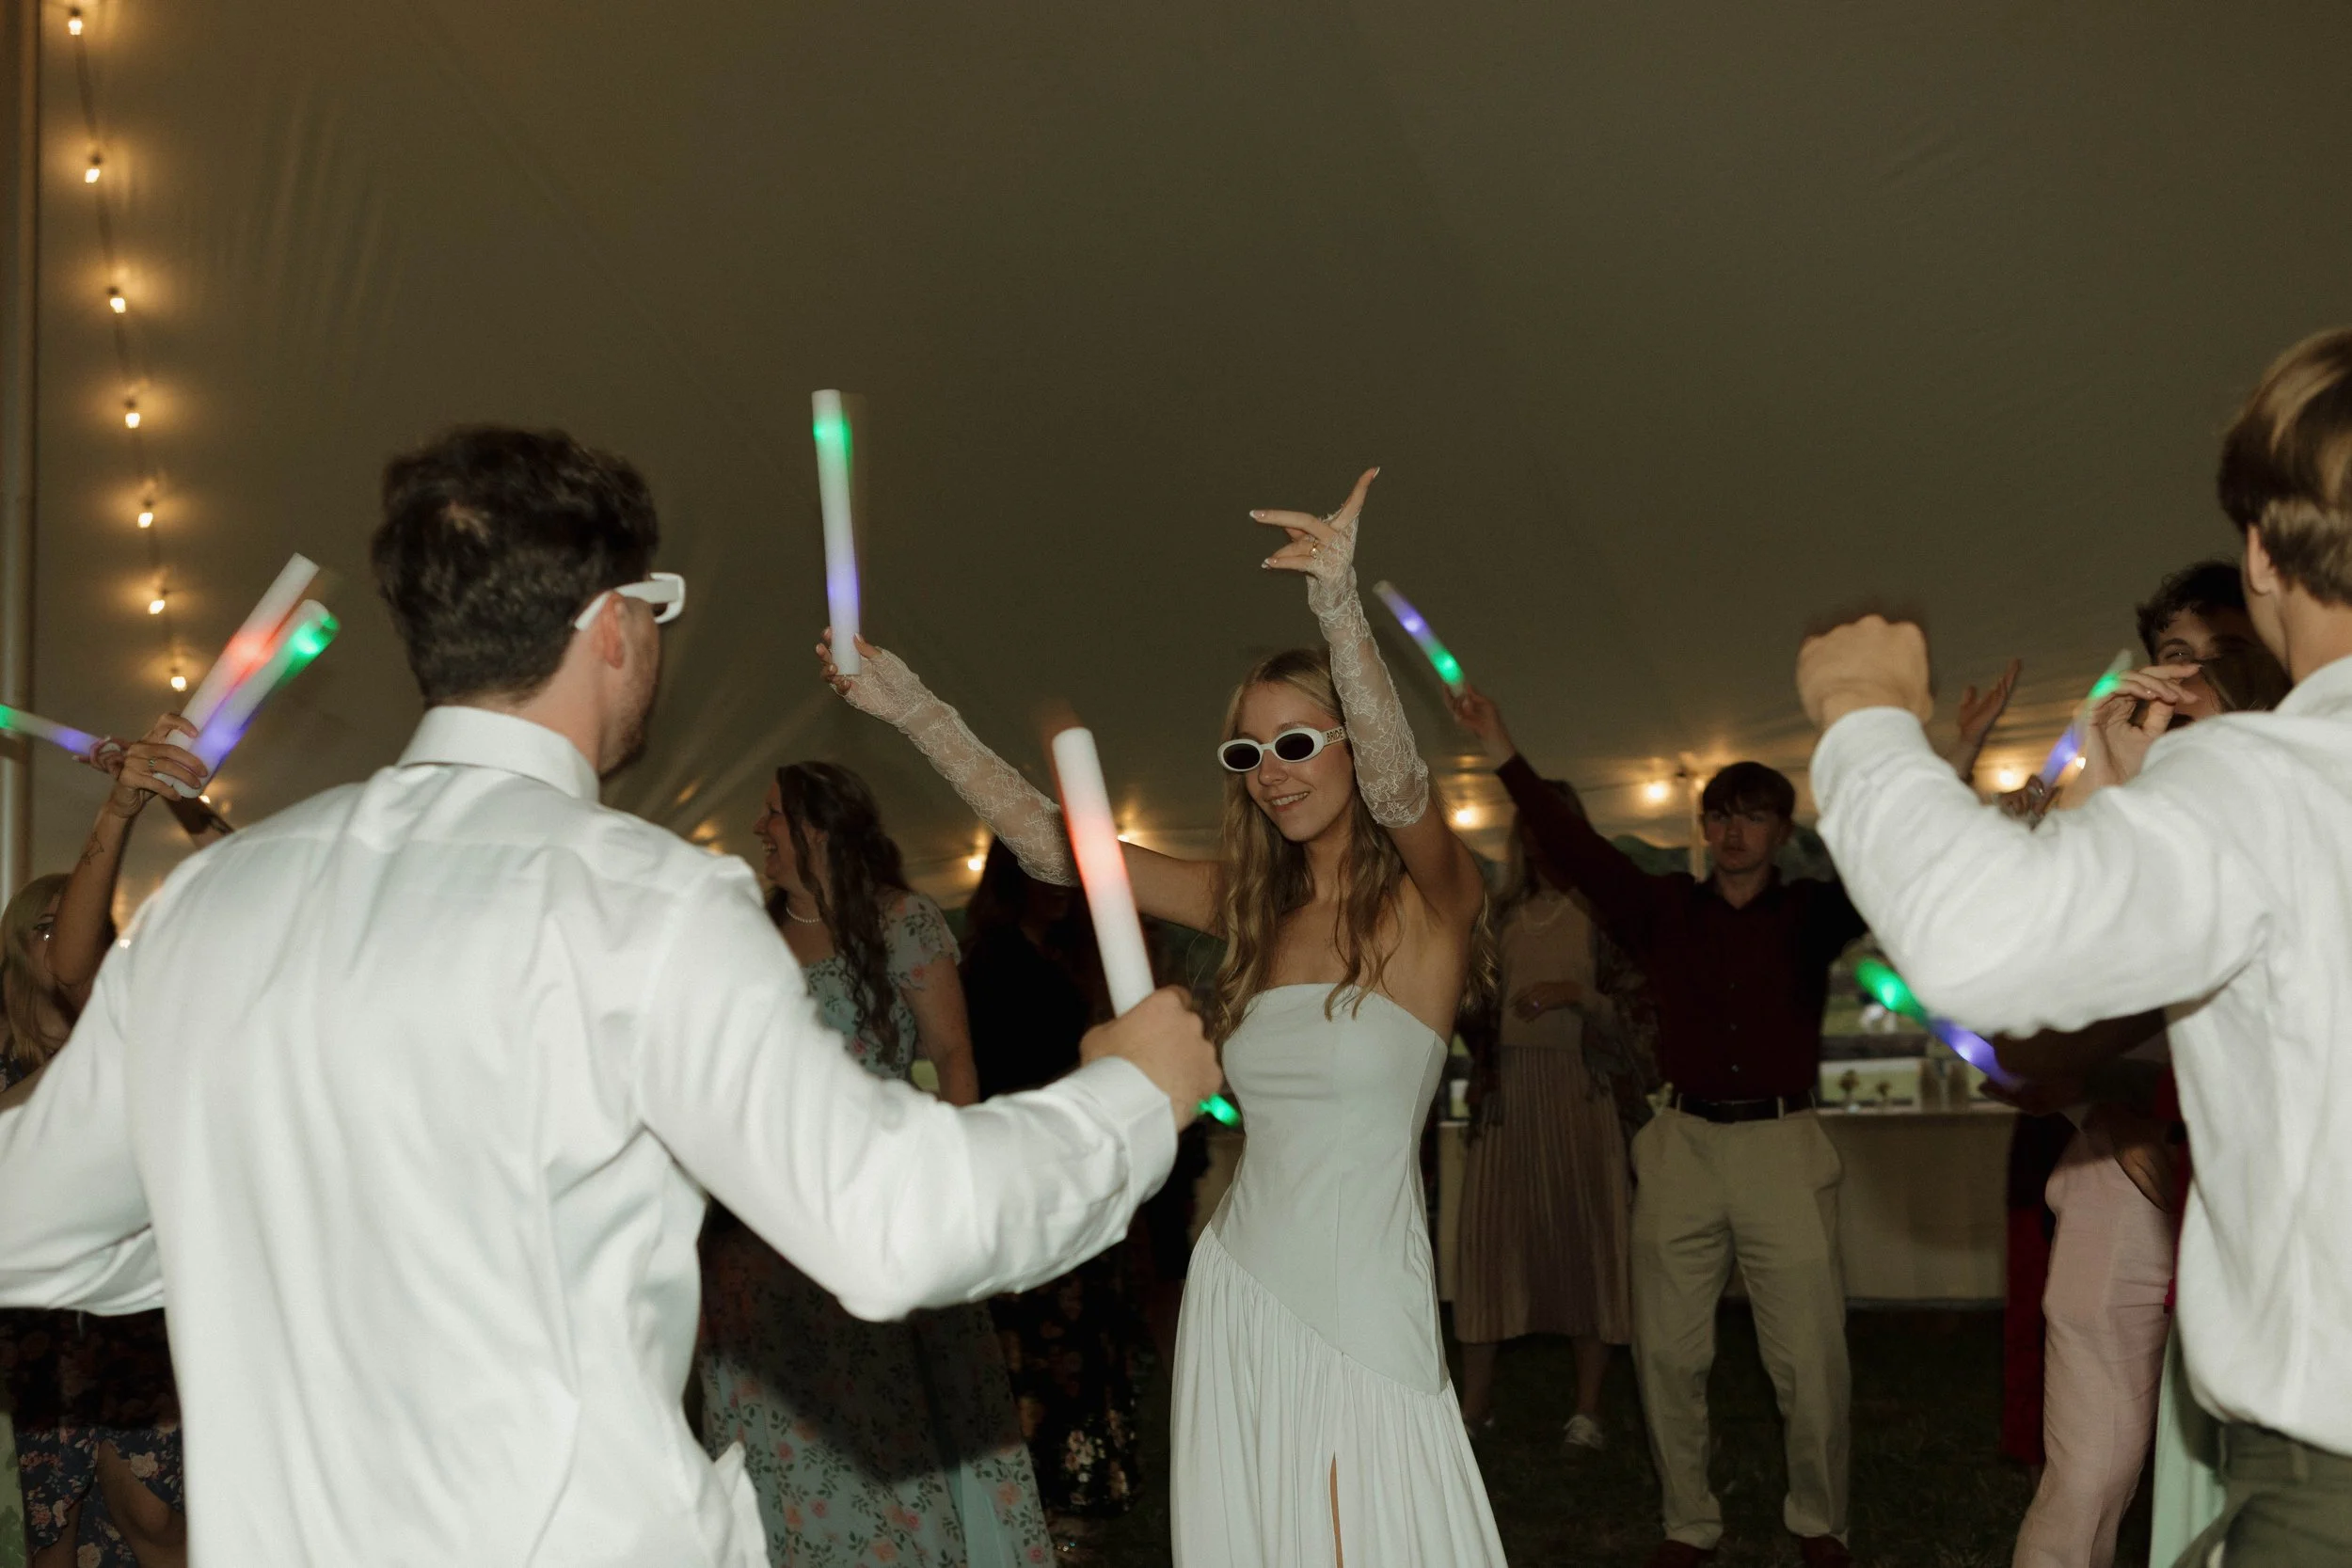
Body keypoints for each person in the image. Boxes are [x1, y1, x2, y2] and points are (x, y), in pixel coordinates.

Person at [0, 425, 1221, 1568]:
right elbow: (894, 1219)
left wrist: (273, 1222)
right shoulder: (638, 899)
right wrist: (1126, 1098)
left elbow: (26, 1220)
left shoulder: (209, 906)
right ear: (613, 625)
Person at [820, 468, 1504, 1566]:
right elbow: (1060, 847)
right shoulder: (1250, 904)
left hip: (1365, 1297)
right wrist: (915, 710)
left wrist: (1338, 609)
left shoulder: (1434, 903)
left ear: (1345, 745)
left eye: (1297, 742)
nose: (1272, 774)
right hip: (1240, 1281)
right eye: (1248, 752)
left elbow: (1401, 784)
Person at [1797, 327, 2352, 1567]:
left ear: (2262, 549)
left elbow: (1983, 944)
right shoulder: (2229, 789)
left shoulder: (2268, 779)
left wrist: (1866, 719)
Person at [1451, 673, 2011, 1568]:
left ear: (1780, 833)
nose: (1731, 829)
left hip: (1784, 1147)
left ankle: (1819, 1521)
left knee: (1812, 1360)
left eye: (1751, 815)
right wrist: (1504, 747)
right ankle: (1688, 1521)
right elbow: (1574, 842)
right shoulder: (1663, 910)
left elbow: (1899, 854)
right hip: (1680, 1146)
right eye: (1720, 814)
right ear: (1704, 828)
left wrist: (1964, 751)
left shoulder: (1809, 914)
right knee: (1669, 1357)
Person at [697, 763, 1053, 1566]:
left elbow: (956, 1065)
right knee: (777, 1450)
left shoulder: (903, 922)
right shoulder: (748, 940)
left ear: (820, 829)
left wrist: (950, 1210)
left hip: (872, 1216)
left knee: (880, 1434)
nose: (761, 831)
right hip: (758, 1244)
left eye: (774, 815)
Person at [0, 718, 205, 1568]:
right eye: (47, 923)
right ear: (15, 943)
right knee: (55, 1537)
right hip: (40, 1322)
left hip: (131, 1313)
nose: (70, 935)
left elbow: (79, 971)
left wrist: (122, 813)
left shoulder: (128, 1031)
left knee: (150, 1515)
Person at [961, 840, 1148, 1555]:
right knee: (1042, 1347)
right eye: (1045, 873)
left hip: (1075, 1169)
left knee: (1078, 1339)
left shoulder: (1055, 955)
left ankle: (1069, 1505)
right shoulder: (995, 960)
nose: (1061, 887)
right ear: (1014, 879)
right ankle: (1046, 1507)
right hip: (1030, 1171)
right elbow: (1007, 1073)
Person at [1452, 779, 1632, 1452]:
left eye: (1554, 824)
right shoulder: (1498, 914)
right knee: (1489, 1244)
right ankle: (1474, 1407)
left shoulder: (1608, 913)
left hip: (1581, 1095)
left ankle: (1586, 1409)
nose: (1539, 837)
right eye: (1531, 825)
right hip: (1509, 1098)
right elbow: (1466, 1003)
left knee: (1587, 1244)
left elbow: (1643, 1016)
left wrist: (1576, 994)